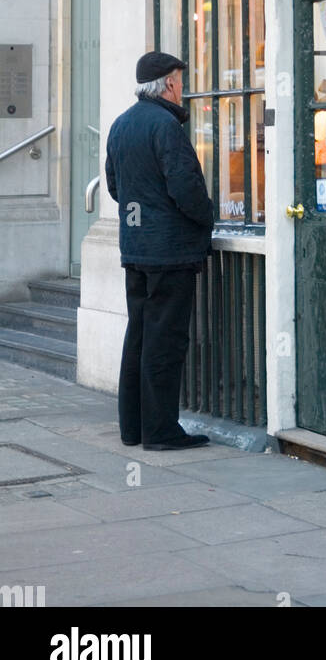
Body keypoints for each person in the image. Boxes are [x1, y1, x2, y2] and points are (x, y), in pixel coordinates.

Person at [105, 52, 214, 450]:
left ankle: (132, 428)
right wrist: (206, 218)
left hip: (135, 248)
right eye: (180, 81)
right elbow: (186, 188)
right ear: (168, 83)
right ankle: (161, 430)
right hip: (169, 253)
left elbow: (116, 188)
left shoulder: (120, 125)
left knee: (139, 335)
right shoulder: (166, 127)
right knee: (165, 342)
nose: (182, 88)